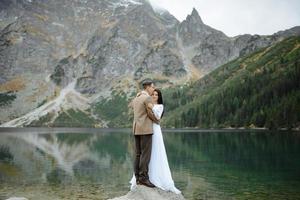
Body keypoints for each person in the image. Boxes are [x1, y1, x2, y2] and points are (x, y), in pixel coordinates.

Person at [130, 88, 181, 194]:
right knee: (146, 153)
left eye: (156, 95)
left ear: (159, 97)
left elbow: (157, 117)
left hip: (155, 130)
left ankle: (154, 178)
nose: (154, 96)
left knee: (155, 152)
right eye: (152, 94)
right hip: (146, 130)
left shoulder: (159, 106)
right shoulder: (147, 103)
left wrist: (151, 106)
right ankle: (145, 176)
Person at [131, 79, 159, 188]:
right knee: (145, 154)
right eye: (152, 87)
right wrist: (157, 120)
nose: (153, 89)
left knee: (138, 154)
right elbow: (150, 112)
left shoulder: (136, 98)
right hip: (145, 129)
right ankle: (144, 178)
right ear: (147, 87)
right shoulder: (147, 98)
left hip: (136, 129)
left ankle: (137, 177)